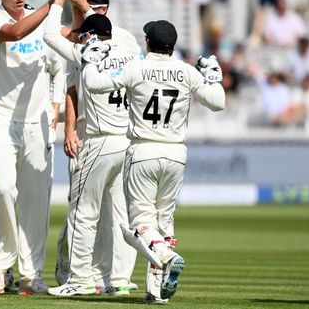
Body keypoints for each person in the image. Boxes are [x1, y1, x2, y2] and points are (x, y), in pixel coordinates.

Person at [81, 19, 226, 303]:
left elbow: (94, 85)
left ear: (148, 42)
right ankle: (157, 292)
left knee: (136, 227)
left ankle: (166, 256)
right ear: (172, 45)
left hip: (143, 150)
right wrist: (213, 76)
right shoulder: (186, 72)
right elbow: (218, 102)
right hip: (176, 154)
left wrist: (89, 62)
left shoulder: (136, 68)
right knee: (163, 221)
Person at [0, 0, 66, 295]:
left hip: (37, 122)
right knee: (4, 188)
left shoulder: (44, 21)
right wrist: (50, 5)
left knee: (37, 201)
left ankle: (30, 274)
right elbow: (14, 33)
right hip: (1, 119)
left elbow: (59, 63)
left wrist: (55, 105)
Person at [44, 0, 139, 297]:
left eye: (93, 10)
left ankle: (81, 278)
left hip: (100, 139)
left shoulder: (91, 49)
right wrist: (68, 129)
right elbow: (71, 89)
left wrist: (63, 5)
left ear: (104, 11)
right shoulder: (127, 46)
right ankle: (119, 279)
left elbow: (51, 35)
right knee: (116, 213)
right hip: (118, 139)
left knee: (84, 213)